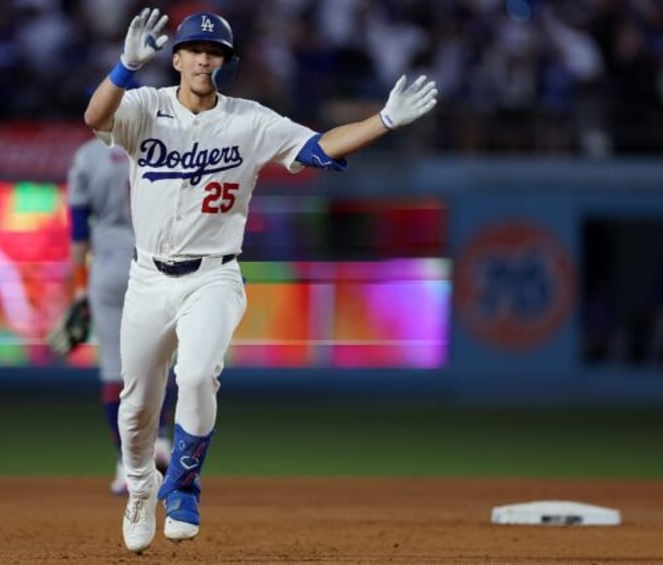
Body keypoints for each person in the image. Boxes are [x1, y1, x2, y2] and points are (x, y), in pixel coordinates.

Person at [83, 7, 438, 554]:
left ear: (226, 63)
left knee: (199, 374)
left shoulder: (249, 120)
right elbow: (95, 118)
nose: (205, 58)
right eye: (196, 49)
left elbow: (318, 147)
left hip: (214, 275)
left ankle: (182, 486)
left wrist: (382, 121)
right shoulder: (144, 106)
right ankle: (139, 487)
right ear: (176, 58)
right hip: (148, 278)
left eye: (216, 52)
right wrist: (125, 67)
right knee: (136, 409)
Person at [65, 133, 176, 495]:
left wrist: (80, 288)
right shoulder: (160, 145)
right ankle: (159, 438)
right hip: (155, 260)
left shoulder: (86, 156)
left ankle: (127, 465)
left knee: (115, 369)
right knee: (159, 361)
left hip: (109, 266)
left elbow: (79, 230)